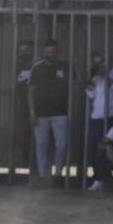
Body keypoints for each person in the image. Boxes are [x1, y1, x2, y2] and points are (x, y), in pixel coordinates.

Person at [28, 38, 72, 187]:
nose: (49, 55)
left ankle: (58, 175)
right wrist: (32, 112)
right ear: (43, 52)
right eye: (47, 52)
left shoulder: (65, 66)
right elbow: (30, 91)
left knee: (62, 145)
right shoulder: (37, 68)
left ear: (57, 51)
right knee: (41, 146)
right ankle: (43, 176)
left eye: (52, 52)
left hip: (60, 113)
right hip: (40, 114)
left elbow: (78, 80)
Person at [83, 53, 113, 180]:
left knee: (110, 147)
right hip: (96, 117)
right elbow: (91, 95)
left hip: (112, 117)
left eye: (101, 62)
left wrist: (105, 74)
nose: (99, 65)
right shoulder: (95, 76)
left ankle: (110, 176)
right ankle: (98, 177)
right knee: (95, 147)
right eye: (96, 63)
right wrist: (89, 78)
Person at [12, 39, 35, 180]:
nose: (23, 53)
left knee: (37, 142)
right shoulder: (16, 68)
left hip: (37, 110)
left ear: (32, 51)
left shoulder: (37, 67)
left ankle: (37, 173)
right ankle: (30, 168)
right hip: (21, 111)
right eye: (21, 51)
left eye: (26, 50)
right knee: (22, 140)